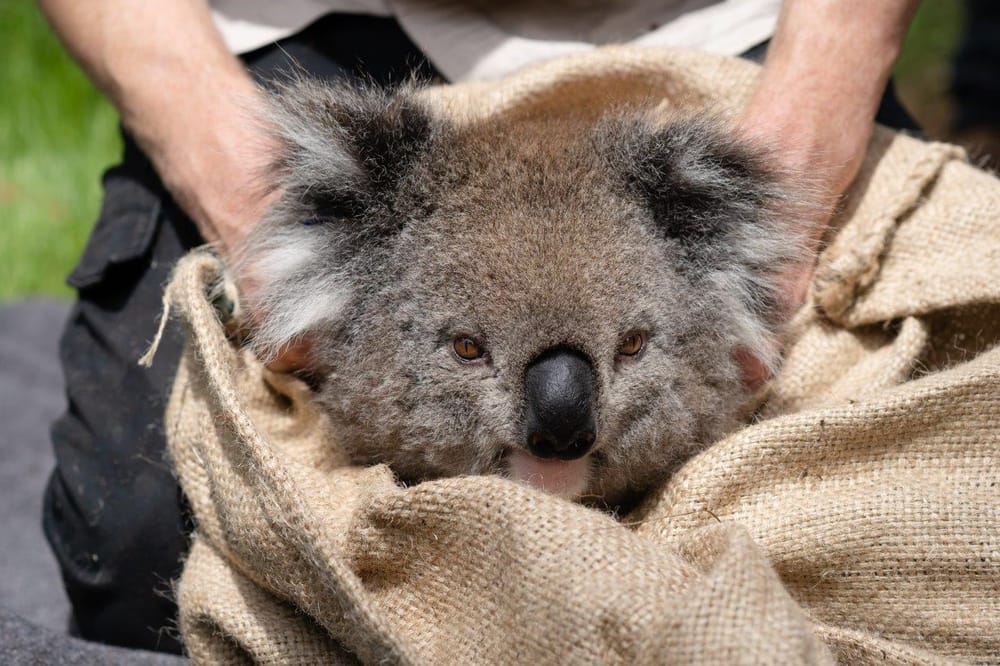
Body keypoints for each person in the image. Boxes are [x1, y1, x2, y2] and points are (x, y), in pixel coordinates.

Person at [37, 0, 921, 653]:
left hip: (719, 51)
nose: (561, 411)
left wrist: (801, 148)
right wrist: (245, 199)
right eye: (465, 350)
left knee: (894, 536)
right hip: (295, 51)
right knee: (143, 542)